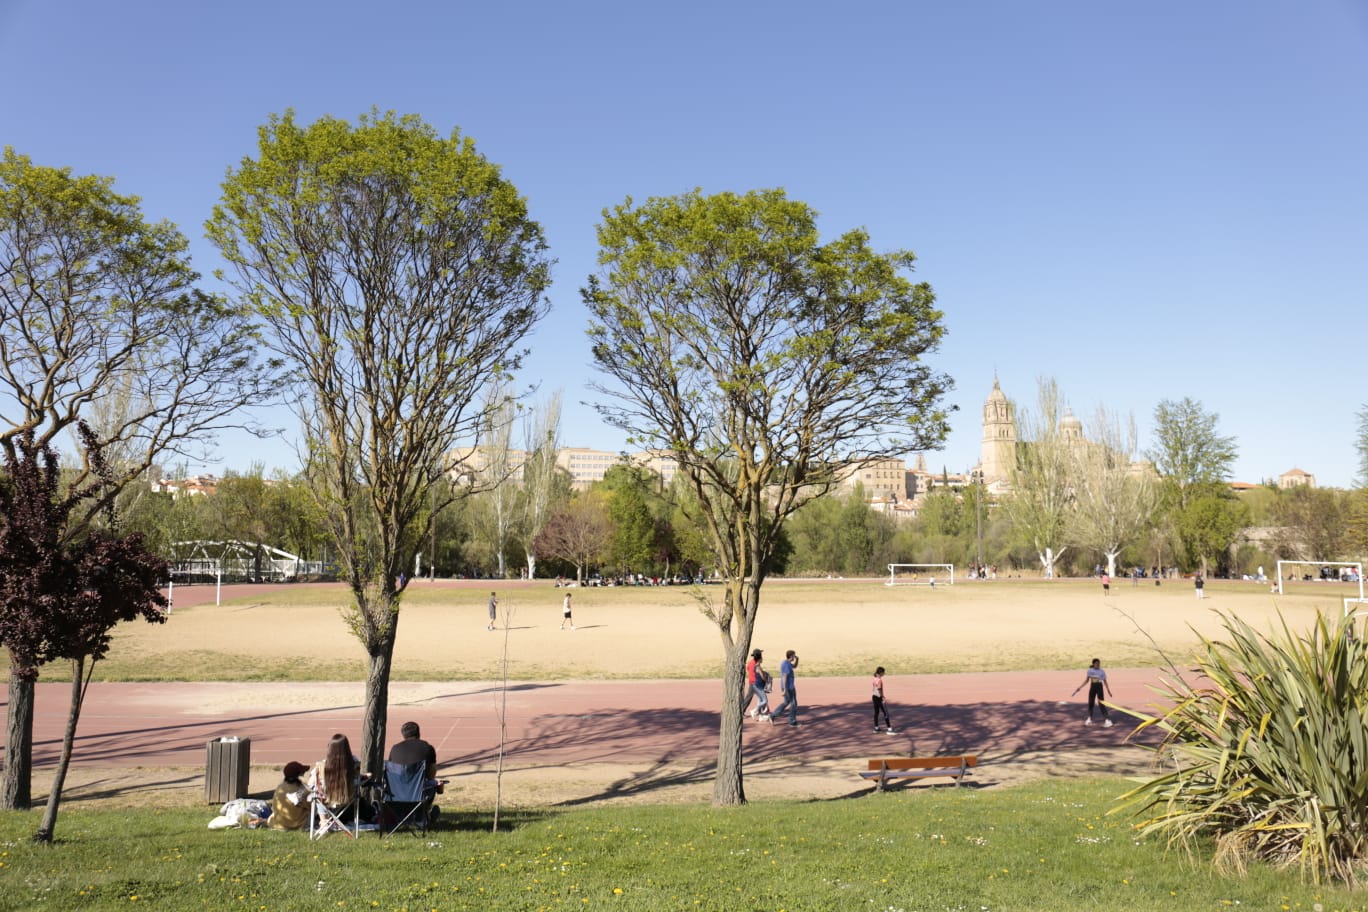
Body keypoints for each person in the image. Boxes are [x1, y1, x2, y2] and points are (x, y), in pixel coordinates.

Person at [308, 733, 361, 819]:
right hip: (348, 798)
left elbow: (310, 784)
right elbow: (357, 779)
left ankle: (323, 820)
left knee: (317, 792)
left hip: (326, 799)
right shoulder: (354, 763)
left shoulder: (322, 766)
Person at [388, 720, 444, 800]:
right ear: (418, 734)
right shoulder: (428, 748)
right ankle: (427, 809)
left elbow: (392, 770)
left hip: (397, 792)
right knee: (434, 782)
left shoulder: (394, 749)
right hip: (419, 793)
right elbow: (431, 773)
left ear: (403, 735)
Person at [267, 760, 312, 830]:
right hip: (297, 825)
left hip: (278, 824)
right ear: (299, 774)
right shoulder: (302, 790)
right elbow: (311, 807)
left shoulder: (280, 787)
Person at [1072, 658, 1113, 727]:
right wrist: (1080, 687)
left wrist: (1108, 691)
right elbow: (1087, 680)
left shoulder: (1102, 671)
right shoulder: (1090, 671)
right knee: (1091, 703)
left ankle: (1107, 720)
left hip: (1099, 687)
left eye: (1099, 664)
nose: (1098, 665)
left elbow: (1105, 681)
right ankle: (1089, 719)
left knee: (1101, 703)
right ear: (1093, 664)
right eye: (1097, 664)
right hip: (1092, 687)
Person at [770, 650, 800, 727]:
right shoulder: (786, 665)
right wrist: (785, 690)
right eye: (794, 656)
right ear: (791, 656)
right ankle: (792, 721)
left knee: (786, 703)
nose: (794, 657)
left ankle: (773, 715)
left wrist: (797, 660)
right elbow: (784, 677)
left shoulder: (788, 663)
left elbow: (795, 666)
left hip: (790, 686)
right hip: (788, 687)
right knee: (793, 704)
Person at [745, 649, 771, 721]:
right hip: (755, 683)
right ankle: (754, 711)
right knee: (761, 699)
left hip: (754, 682)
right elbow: (761, 675)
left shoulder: (751, 662)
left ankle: (761, 715)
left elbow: (747, 668)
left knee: (759, 699)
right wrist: (766, 680)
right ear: (759, 657)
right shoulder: (756, 665)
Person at [872, 666, 894, 734]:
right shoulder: (879, 680)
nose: (884, 674)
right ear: (881, 672)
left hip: (874, 696)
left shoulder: (875, 678)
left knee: (876, 713)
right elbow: (879, 689)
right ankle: (889, 729)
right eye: (883, 672)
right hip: (879, 697)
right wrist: (882, 697)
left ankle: (876, 728)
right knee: (885, 713)